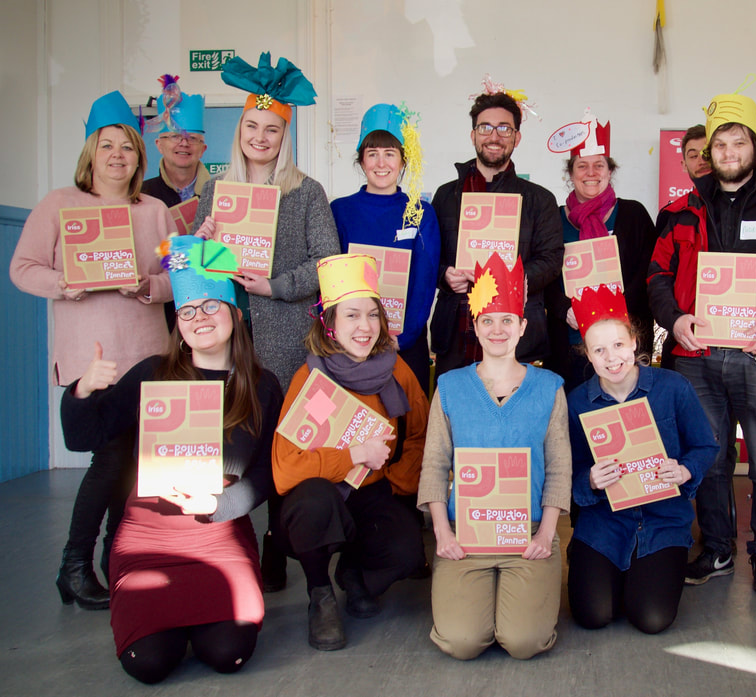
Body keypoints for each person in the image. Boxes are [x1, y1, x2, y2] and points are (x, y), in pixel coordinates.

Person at [59, 236, 282, 683]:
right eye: (187, 311)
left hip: (219, 536)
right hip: (149, 538)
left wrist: (219, 507)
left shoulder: (262, 385)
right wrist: (81, 392)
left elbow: (266, 476)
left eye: (210, 306)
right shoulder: (150, 374)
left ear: (235, 314)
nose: (199, 318)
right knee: (149, 664)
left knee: (228, 654)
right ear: (176, 321)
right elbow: (82, 437)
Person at [648, 89, 756, 592]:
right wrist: (676, 318)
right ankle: (719, 550)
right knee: (710, 455)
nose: (727, 153)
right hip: (697, 356)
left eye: (737, 143)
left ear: (755, 148)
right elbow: (657, 274)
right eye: (718, 145)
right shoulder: (680, 209)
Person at [10, 91, 173, 610]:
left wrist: (146, 286)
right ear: (90, 153)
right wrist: (65, 283)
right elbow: (22, 268)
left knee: (136, 466)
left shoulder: (153, 210)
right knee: (107, 463)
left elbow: (180, 278)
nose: (117, 157)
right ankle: (74, 565)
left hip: (147, 352)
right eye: (107, 147)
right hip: (94, 358)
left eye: (126, 148)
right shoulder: (59, 204)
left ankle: (114, 557)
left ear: (138, 157)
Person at [194, 52, 341, 592]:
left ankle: (281, 544)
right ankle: (229, 546)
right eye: (252, 126)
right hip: (232, 341)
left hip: (284, 337)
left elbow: (327, 265)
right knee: (235, 445)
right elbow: (203, 273)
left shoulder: (306, 193)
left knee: (284, 444)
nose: (261, 136)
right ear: (240, 132)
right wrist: (206, 247)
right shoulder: (213, 193)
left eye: (272, 128)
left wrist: (273, 285)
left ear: (284, 134)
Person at [271, 253, 428, 651]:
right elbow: (285, 471)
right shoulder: (310, 377)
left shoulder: (397, 370)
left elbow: (421, 435)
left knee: (409, 553)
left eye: (372, 315)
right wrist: (354, 454)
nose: (364, 327)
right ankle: (320, 594)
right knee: (314, 501)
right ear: (330, 324)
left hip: (376, 491)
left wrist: (394, 484)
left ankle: (354, 575)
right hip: (320, 497)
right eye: (352, 316)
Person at [418, 253, 571, 660]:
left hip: (529, 534)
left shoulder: (549, 386)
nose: (497, 329)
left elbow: (558, 467)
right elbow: (434, 463)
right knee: (461, 642)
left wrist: (545, 534)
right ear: (475, 325)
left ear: (522, 327)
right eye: (488, 320)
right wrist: (443, 533)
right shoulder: (450, 386)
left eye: (507, 321)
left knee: (524, 642)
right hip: (465, 534)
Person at [566, 284, 717, 633]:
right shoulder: (577, 403)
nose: (611, 357)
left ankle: (638, 574)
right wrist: (588, 479)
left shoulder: (673, 387)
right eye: (599, 349)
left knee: (650, 618)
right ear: (586, 355)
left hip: (662, 521)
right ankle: (600, 566)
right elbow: (567, 469)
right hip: (603, 523)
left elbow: (705, 446)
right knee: (593, 615)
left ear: (635, 342)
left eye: (619, 345)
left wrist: (684, 470)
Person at [429, 79, 563, 378]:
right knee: (454, 419)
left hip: (517, 335)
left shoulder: (539, 199)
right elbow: (429, 257)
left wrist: (511, 280)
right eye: (485, 127)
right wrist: (444, 275)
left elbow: (551, 259)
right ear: (473, 135)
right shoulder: (446, 196)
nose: (494, 136)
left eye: (504, 128)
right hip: (456, 333)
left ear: (516, 137)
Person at [330, 103, 441, 396]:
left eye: (390, 154)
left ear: (404, 161)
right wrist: (345, 334)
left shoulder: (420, 213)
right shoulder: (340, 211)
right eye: (372, 154)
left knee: (408, 430)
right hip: (351, 342)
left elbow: (424, 283)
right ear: (361, 160)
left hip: (404, 344)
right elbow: (331, 281)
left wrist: (401, 338)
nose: (381, 163)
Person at [544, 113, 657, 391]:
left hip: (622, 349)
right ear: (570, 174)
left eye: (599, 165)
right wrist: (564, 309)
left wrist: (607, 311)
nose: (591, 173)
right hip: (569, 345)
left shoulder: (633, 214)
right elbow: (543, 276)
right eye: (582, 166)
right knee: (572, 423)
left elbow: (648, 273)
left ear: (610, 170)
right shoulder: (553, 219)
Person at [655, 123, 710, 372]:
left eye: (707, 153)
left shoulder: (754, 212)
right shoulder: (672, 215)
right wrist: (674, 320)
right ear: (683, 164)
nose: (701, 160)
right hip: (685, 343)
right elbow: (658, 277)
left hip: (741, 344)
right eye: (693, 155)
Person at [141, 75, 210, 208]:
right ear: (159, 145)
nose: (184, 143)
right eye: (175, 137)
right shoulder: (141, 195)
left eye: (192, 138)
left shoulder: (218, 196)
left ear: (203, 149)